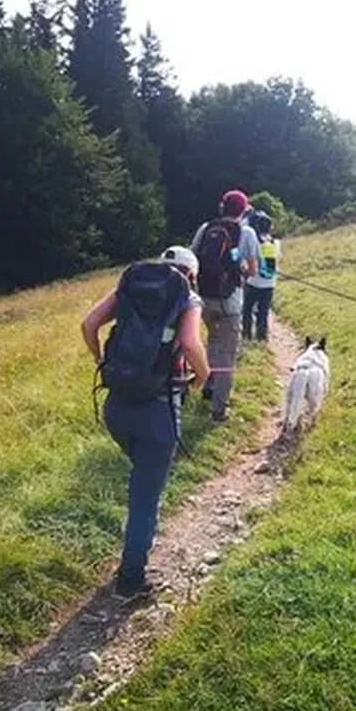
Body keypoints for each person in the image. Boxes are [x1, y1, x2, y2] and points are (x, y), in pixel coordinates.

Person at [81, 246, 209, 598]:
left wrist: (102, 361)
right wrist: (204, 377)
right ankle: (130, 581)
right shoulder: (189, 296)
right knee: (145, 498)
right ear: (191, 274)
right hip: (157, 411)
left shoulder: (132, 284)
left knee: (142, 480)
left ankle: (137, 542)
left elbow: (89, 323)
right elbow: (189, 342)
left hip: (116, 408)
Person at [191, 189, 259, 422]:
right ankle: (219, 410)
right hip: (230, 303)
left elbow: (193, 261)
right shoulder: (247, 233)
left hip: (205, 300)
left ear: (222, 207)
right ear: (244, 210)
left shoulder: (205, 228)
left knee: (213, 341)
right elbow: (252, 271)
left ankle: (208, 385)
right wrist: (238, 270)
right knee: (227, 355)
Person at [243, 211, 281, 341]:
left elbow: (249, 258)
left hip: (253, 282)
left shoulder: (254, 241)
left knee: (247, 310)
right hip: (270, 283)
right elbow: (278, 258)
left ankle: (247, 335)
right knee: (263, 311)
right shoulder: (276, 242)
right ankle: (262, 337)